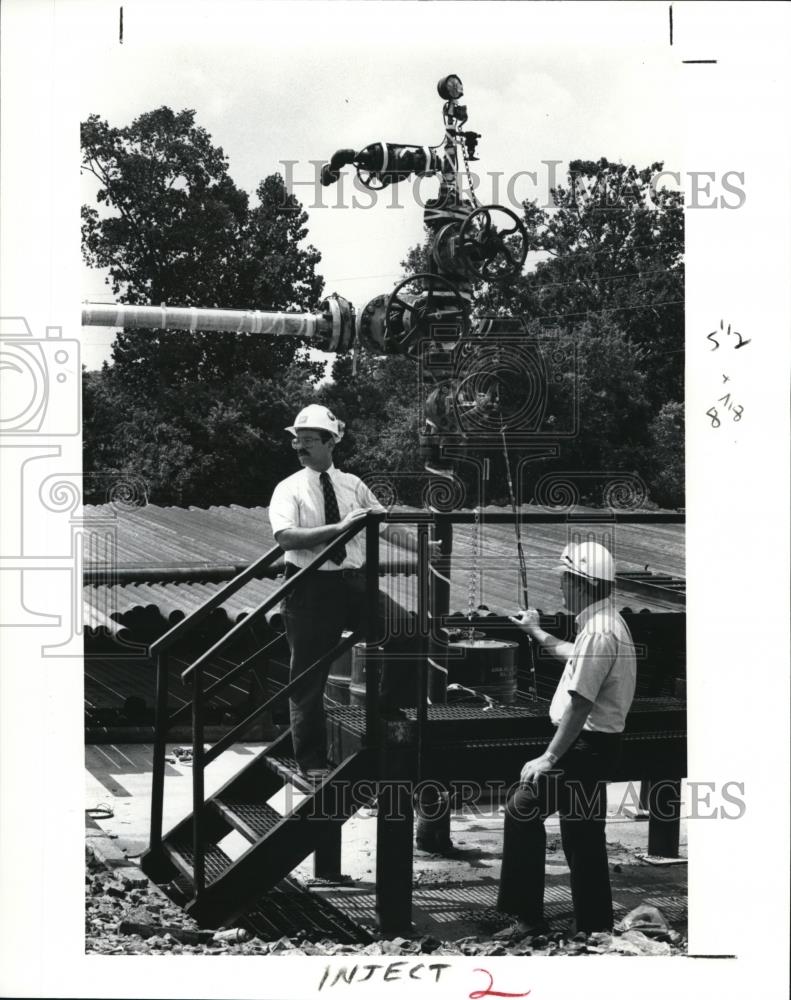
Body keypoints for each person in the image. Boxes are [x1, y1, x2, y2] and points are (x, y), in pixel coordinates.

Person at [268, 404, 431, 783]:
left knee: (407, 632)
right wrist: (340, 528)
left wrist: (422, 549)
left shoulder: (352, 484)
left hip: (353, 583)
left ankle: (389, 712)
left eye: (308, 441)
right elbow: (285, 538)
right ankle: (311, 762)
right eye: (297, 442)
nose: (300, 448)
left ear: (330, 443)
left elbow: (383, 524)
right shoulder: (288, 488)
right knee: (308, 676)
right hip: (307, 587)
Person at [494, 540, 636, 939]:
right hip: (601, 747)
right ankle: (595, 924)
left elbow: (580, 702)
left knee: (521, 807)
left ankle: (527, 917)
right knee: (583, 835)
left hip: (584, 749)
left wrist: (549, 758)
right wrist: (536, 632)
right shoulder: (609, 624)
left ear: (580, 583)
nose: (559, 588)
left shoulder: (599, 632)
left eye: (563, 580)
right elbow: (577, 656)